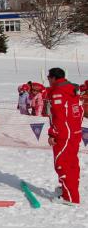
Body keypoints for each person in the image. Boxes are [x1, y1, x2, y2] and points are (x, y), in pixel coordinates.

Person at [46, 68, 83, 205]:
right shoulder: (72, 89)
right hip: (74, 132)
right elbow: (80, 110)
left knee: (62, 164)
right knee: (72, 163)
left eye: (49, 77)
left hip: (64, 133)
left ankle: (70, 197)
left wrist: (53, 133)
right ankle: (67, 190)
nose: (48, 80)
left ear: (54, 78)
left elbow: (59, 116)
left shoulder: (58, 92)